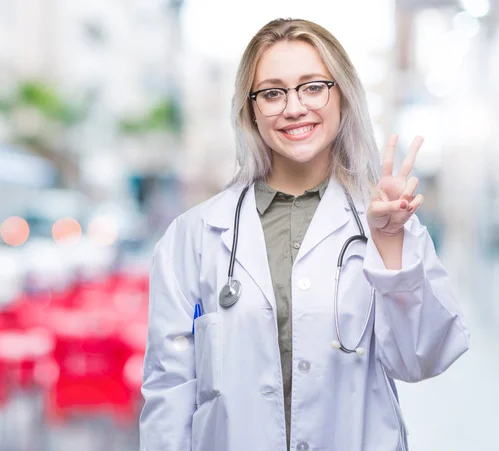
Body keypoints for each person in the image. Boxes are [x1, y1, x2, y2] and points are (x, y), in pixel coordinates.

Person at [139, 18, 470, 451]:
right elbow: (169, 391)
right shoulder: (193, 237)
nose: (294, 108)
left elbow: (423, 358)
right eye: (273, 92)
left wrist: (390, 246)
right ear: (250, 109)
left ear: (343, 96)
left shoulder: (387, 222)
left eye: (313, 86)